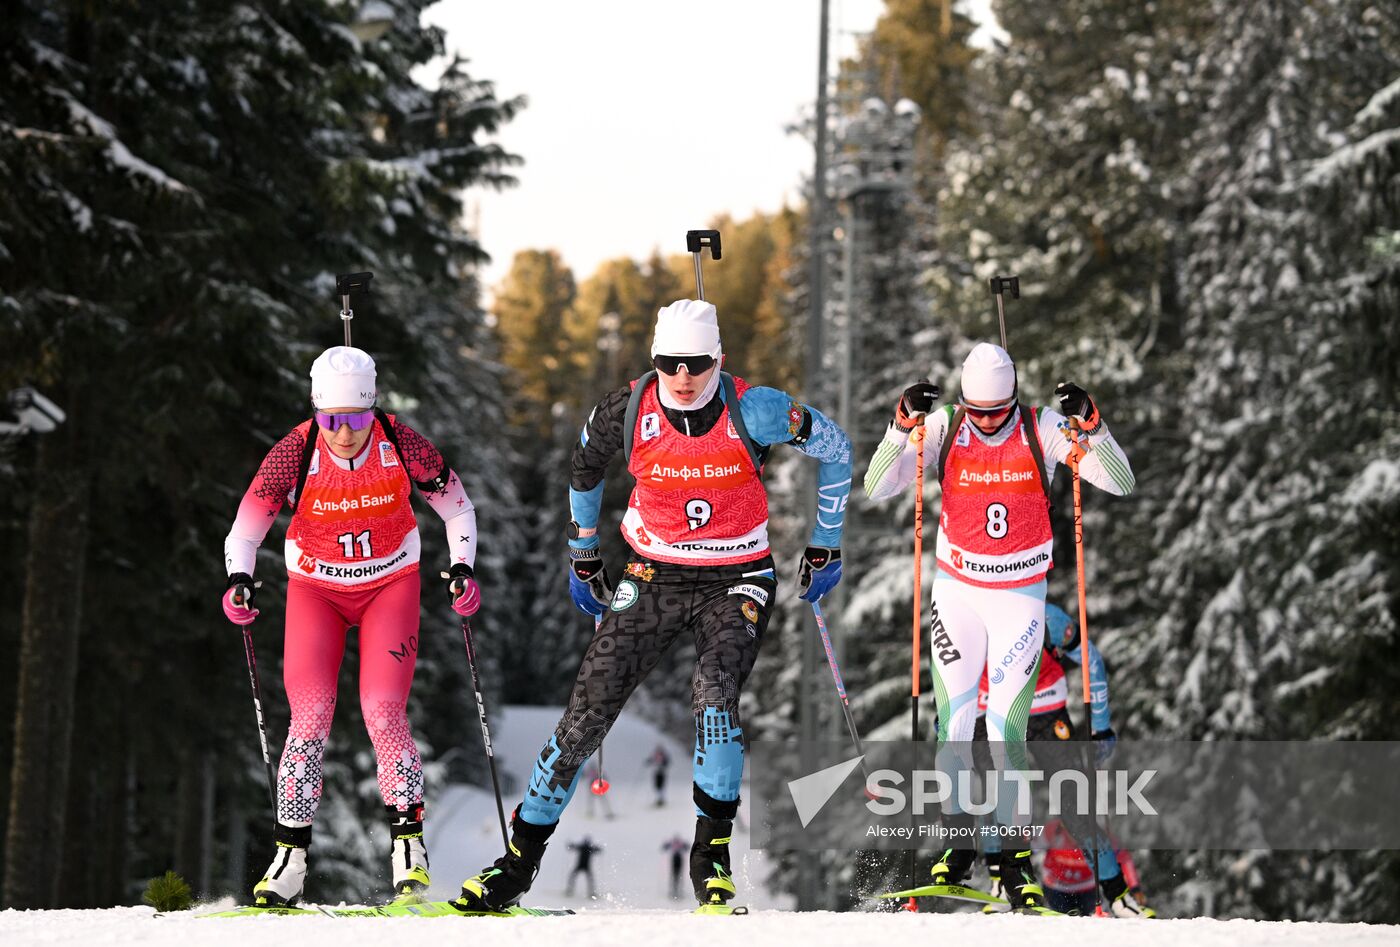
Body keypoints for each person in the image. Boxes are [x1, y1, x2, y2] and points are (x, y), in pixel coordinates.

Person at [455, 298, 852, 913]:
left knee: (714, 693)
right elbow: (584, 467)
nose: (684, 377)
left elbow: (838, 447)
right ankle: (518, 861)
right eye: (670, 363)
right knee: (588, 711)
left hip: (737, 574)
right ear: (655, 361)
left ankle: (711, 858)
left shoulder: (758, 408)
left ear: (719, 359)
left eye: (696, 363)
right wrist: (582, 551)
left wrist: (826, 541)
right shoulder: (628, 408)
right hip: (653, 571)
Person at [863, 342, 1134, 911]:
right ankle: (956, 850)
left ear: (1014, 398)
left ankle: (1012, 863)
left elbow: (1119, 481)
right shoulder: (943, 429)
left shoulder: (1043, 429)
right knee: (955, 728)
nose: (986, 421)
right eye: (976, 410)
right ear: (963, 401)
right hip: (958, 594)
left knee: (1007, 736)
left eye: (997, 411)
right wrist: (899, 427)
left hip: (1019, 599)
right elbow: (878, 486)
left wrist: (1094, 426)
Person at [222, 346, 482, 907]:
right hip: (316, 591)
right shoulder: (296, 449)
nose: (345, 434)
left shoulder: (402, 442)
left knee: (383, 710)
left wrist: (461, 566)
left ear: (374, 409)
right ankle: (289, 859)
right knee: (310, 715)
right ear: (317, 412)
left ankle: (408, 849)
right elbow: (245, 530)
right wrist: (238, 578)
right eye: (333, 421)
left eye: (357, 420)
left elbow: (457, 508)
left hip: (391, 584)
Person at [974, 603, 1155, 917]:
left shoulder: (1045, 617)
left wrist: (1100, 728)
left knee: (1073, 804)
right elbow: (951, 675)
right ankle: (1004, 885)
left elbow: (1091, 660)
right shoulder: (970, 613)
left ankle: (1118, 896)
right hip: (994, 711)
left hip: (1045, 708)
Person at [662, 835, 688, 899]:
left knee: (676, 876)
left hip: (676, 859)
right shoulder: (680, 843)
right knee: (677, 876)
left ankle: (676, 891)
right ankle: (676, 891)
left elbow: (665, 847)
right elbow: (686, 847)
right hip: (677, 859)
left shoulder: (673, 843)